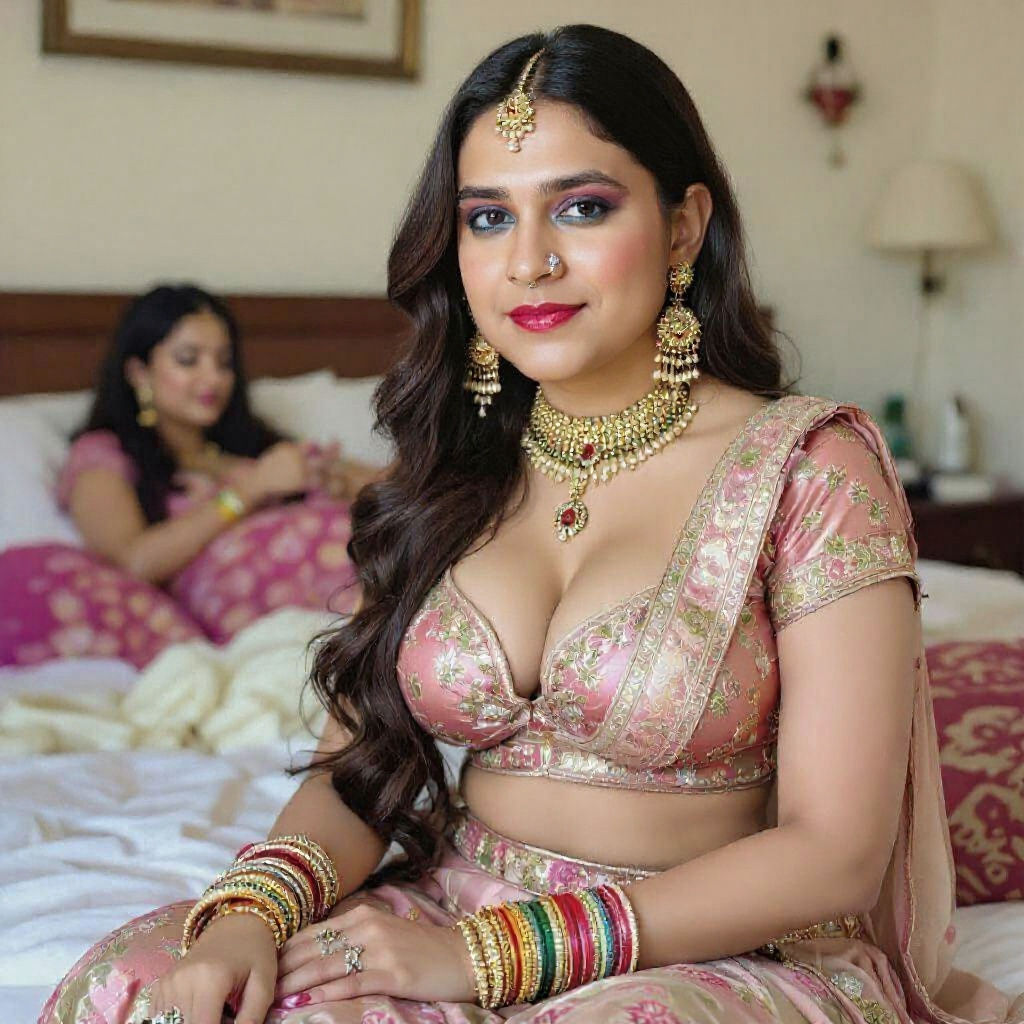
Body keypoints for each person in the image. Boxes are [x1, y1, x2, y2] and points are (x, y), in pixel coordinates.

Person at [40, 25, 1022, 1024]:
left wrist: (487, 956)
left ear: (684, 227)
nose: (528, 262)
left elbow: (835, 852)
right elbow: (360, 773)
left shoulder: (809, 468)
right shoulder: (449, 467)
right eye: (485, 218)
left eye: (582, 207)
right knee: (146, 992)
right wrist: (250, 910)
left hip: (704, 950)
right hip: (443, 910)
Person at [59, 283, 379, 588]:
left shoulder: (251, 446)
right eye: (188, 359)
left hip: (360, 582)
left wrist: (336, 482)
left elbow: (401, 487)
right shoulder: (103, 454)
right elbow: (134, 563)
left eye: (224, 362)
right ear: (139, 373)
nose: (213, 378)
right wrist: (249, 490)